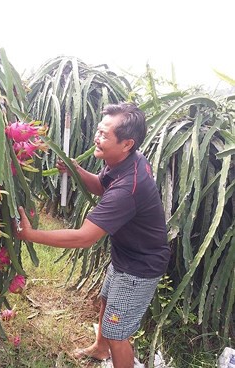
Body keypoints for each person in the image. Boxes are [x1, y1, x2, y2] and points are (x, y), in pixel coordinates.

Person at [14, 103, 171, 368]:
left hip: (140, 267)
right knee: (107, 301)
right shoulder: (126, 160)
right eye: (98, 131)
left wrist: (30, 234)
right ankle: (100, 349)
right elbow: (101, 186)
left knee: (117, 333)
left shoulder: (128, 188)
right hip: (126, 256)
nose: (97, 138)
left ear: (127, 143)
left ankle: (112, 350)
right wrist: (76, 170)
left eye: (104, 134)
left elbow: (84, 238)